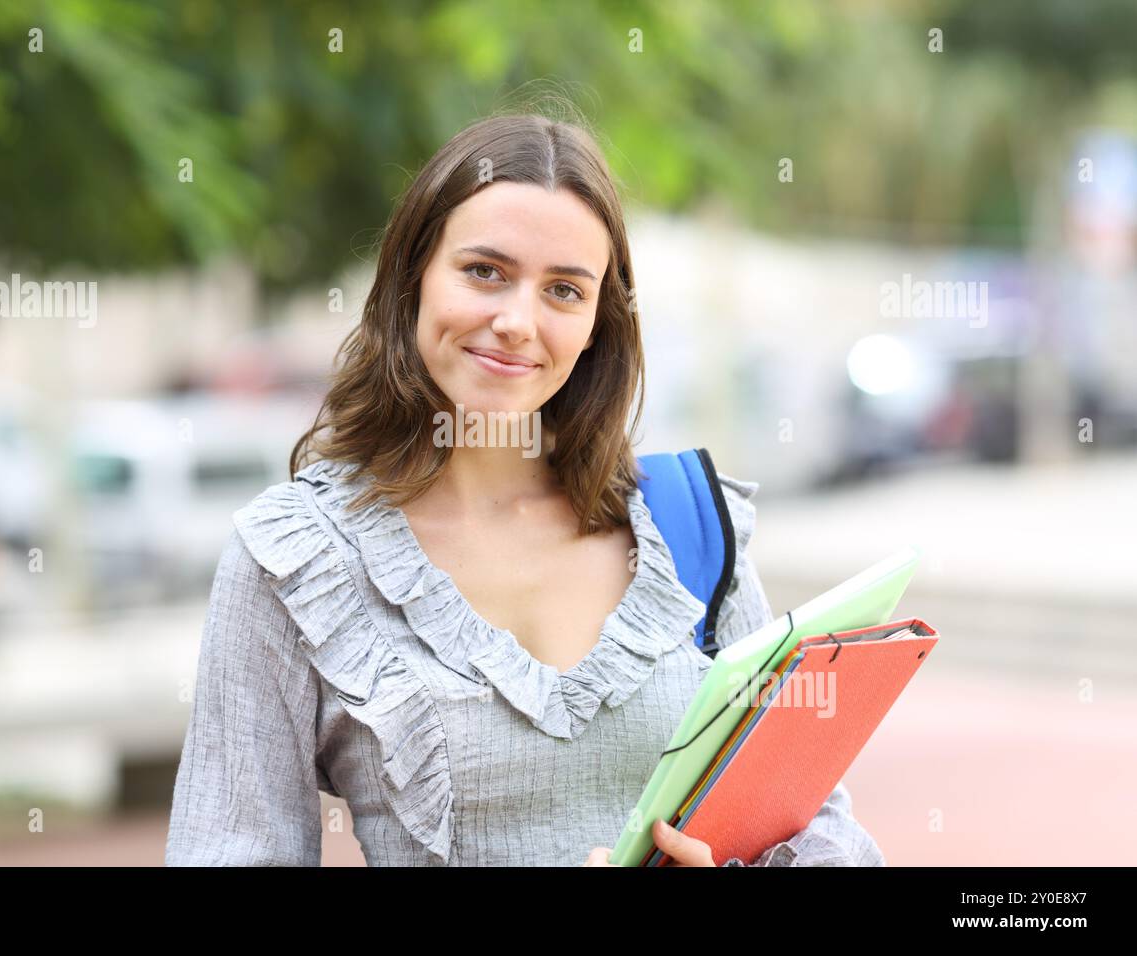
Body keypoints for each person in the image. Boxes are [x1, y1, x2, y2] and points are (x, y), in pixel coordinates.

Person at [165, 109, 886, 867]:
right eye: (485, 272)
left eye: (565, 291)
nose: (517, 321)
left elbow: (824, 833)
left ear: (598, 324)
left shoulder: (690, 528)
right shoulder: (294, 561)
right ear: (412, 278)